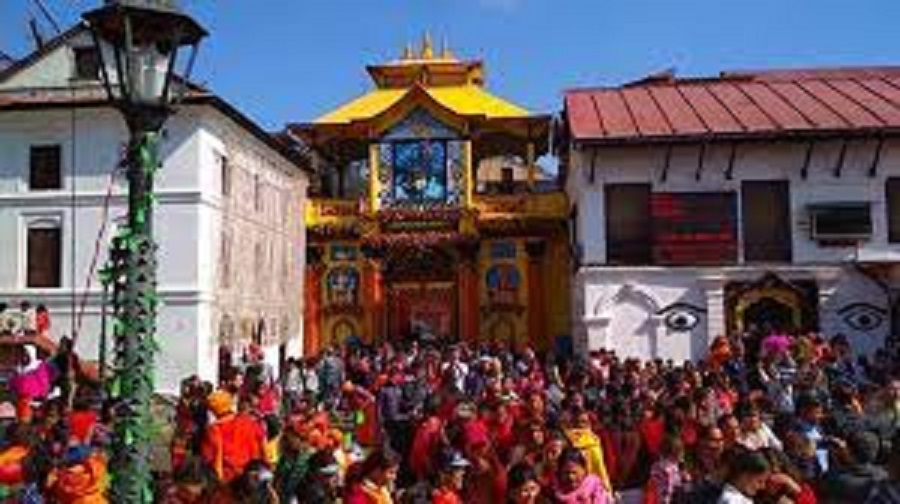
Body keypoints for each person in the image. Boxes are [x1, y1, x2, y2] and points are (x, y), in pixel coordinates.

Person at [202, 391, 267, 483]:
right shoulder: (250, 422)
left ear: (212, 410)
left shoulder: (214, 430)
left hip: (227, 480)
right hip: (251, 477)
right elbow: (263, 444)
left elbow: (208, 458)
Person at [818, 430, 888, 503]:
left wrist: (835, 457)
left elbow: (823, 484)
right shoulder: (882, 476)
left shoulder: (840, 480)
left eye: (847, 446)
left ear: (850, 453)